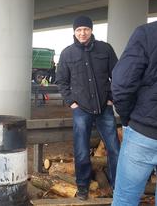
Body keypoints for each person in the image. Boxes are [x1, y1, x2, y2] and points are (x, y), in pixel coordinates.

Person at [56, 15, 120, 200]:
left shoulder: (105, 49)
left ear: (91, 30)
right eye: (78, 30)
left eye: (85, 29)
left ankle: (117, 185)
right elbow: (61, 81)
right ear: (74, 32)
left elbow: (117, 75)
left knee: (114, 149)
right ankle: (83, 187)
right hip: (81, 109)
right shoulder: (67, 53)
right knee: (82, 150)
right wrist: (72, 103)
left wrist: (111, 99)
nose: (82, 33)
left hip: (104, 108)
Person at [111, 21, 157, 206]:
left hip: (143, 132)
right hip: (143, 127)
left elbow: (121, 83)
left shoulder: (147, 33)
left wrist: (127, 118)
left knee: (125, 199)